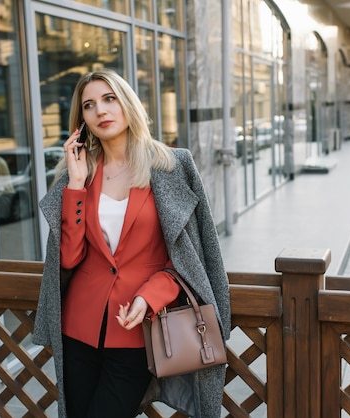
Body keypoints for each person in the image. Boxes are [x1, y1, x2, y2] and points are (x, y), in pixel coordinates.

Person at [33, 68, 230, 418]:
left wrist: (149, 296)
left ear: (128, 104)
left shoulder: (172, 164)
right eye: (89, 105)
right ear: (82, 121)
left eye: (109, 99)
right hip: (78, 328)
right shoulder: (77, 175)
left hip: (141, 331)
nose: (101, 111)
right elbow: (69, 257)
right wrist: (76, 186)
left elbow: (192, 258)